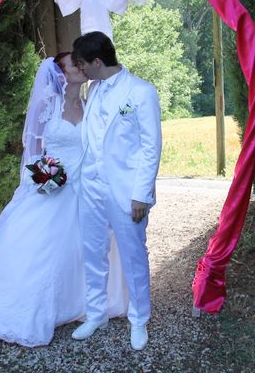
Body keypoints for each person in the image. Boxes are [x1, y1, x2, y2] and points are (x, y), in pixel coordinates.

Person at [0, 53, 128, 347]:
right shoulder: (48, 105)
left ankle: (90, 303)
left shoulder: (89, 102)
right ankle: (38, 308)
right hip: (54, 186)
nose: (81, 67)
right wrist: (47, 179)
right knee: (48, 248)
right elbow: (32, 151)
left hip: (87, 188)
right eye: (75, 64)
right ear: (61, 73)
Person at [70, 31, 162, 351]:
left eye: (82, 64)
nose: (79, 70)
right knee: (93, 252)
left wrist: (141, 194)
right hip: (90, 188)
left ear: (97, 62)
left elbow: (151, 148)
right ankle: (96, 313)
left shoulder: (140, 92)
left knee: (133, 255)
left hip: (124, 192)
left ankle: (139, 319)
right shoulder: (93, 89)